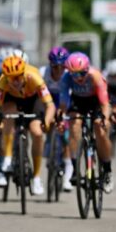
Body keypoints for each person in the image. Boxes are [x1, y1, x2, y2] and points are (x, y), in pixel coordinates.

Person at [0, 55, 56, 195]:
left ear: (23, 73)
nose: (14, 82)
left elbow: (50, 106)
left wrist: (46, 122)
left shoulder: (35, 77)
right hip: (13, 100)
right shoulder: (2, 81)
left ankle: (37, 177)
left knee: (37, 133)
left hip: (33, 100)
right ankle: (7, 158)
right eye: (10, 78)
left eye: (18, 77)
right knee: (8, 114)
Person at [59, 52, 114, 194]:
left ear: (87, 69)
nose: (78, 78)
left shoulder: (95, 76)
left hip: (96, 102)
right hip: (78, 102)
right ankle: (75, 168)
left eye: (81, 74)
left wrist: (105, 118)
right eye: (74, 74)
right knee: (74, 125)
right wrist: (61, 116)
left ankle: (107, 171)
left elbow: (105, 102)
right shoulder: (66, 78)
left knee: (100, 129)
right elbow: (64, 101)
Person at [39, 46, 73, 191]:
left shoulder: (70, 74)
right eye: (55, 67)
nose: (58, 70)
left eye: (61, 67)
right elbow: (38, 95)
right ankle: (49, 144)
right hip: (48, 100)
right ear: (50, 64)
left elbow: (70, 98)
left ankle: (67, 174)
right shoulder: (43, 73)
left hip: (65, 101)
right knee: (47, 124)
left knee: (65, 135)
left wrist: (65, 116)